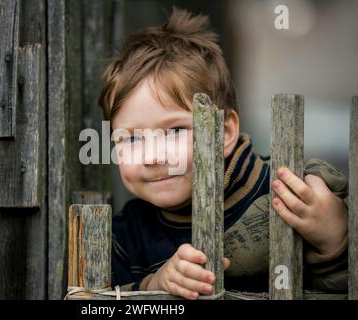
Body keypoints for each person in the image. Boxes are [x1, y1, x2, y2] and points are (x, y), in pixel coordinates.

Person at [98, 7, 349, 299]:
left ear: (225, 132)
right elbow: (97, 300)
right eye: (131, 139)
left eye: (175, 131)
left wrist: (336, 236)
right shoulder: (124, 238)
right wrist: (154, 287)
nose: (152, 156)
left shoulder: (289, 194)